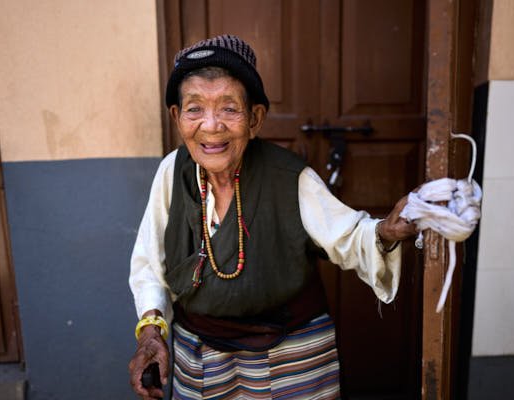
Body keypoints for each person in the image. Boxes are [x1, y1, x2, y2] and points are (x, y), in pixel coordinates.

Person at [128, 34, 417, 400]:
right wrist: (151, 332)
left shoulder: (290, 177)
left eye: (229, 109)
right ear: (177, 117)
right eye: (195, 108)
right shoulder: (173, 172)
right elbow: (150, 264)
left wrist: (386, 231)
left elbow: (348, 235)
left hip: (292, 353)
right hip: (198, 354)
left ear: (255, 119)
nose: (211, 125)